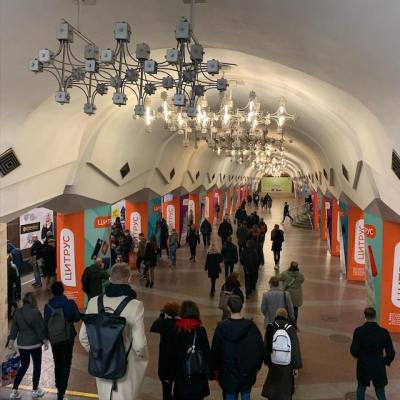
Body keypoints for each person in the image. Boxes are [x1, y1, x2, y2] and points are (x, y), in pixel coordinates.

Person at [79, 263, 148, 400]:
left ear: (110, 279)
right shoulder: (135, 306)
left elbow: (83, 337)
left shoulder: (93, 302)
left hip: (102, 365)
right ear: (129, 279)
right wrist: (141, 359)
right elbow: (140, 345)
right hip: (126, 368)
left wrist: (99, 352)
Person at [212, 295, 264, 400]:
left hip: (228, 371)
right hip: (247, 371)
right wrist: (257, 367)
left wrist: (216, 368)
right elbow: (259, 349)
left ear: (229, 308)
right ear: (241, 306)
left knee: (230, 394)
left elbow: (215, 351)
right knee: (246, 394)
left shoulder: (221, 327)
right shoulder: (251, 327)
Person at [44, 282, 81, 400]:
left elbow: (46, 323)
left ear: (53, 292)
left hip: (55, 339)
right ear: (63, 290)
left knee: (58, 362)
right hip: (68, 338)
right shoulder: (69, 303)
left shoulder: (48, 306)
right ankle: (62, 390)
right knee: (67, 363)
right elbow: (77, 318)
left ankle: (59, 387)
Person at [8, 292, 48, 400]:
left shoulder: (18, 312)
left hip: (22, 345)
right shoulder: (35, 312)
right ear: (33, 301)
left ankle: (14, 390)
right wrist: (45, 341)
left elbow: (14, 329)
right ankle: (35, 390)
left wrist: (11, 342)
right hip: (35, 344)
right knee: (37, 366)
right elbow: (40, 329)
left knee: (24, 366)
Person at [350, 307, 396, 400]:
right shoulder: (384, 332)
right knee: (380, 392)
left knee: (361, 388)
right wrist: (384, 361)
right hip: (378, 365)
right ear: (375, 317)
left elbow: (353, 350)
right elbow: (391, 352)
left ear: (365, 317)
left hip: (363, 365)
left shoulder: (359, 331)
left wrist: (360, 356)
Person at [172, 301, 211, 400]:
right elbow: (207, 354)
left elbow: (172, 355)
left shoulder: (176, 329)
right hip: (198, 376)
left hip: (181, 377)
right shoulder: (200, 331)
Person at [262, 308, 302, 400]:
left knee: (273, 383)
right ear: (286, 316)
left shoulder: (270, 327)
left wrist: (266, 360)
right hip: (287, 364)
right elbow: (295, 348)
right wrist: (296, 366)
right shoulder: (291, 329)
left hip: (273, 362)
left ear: (276, 316)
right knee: (286, 386)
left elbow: (266, 346)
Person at [150, 302, 180, 400]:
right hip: (178, 360)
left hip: (165, 361)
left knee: (166, 390)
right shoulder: (180, 324)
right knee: (178, 389)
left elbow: (154, 327)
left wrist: (161, 316)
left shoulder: (163, 323)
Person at [279, 262, 305, 327]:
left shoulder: (285, 274)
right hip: (296, 297)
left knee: (287, 310)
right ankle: (294, 324)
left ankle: (287, 324)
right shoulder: (300, 275)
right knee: (295, 310)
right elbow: (302, 280)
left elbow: (279, 277)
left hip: (288, 296)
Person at [7, 255, 19, 321]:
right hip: (10, 287)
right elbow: (16, 279)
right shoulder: (12, 269)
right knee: (10, 300)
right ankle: (8, 316)